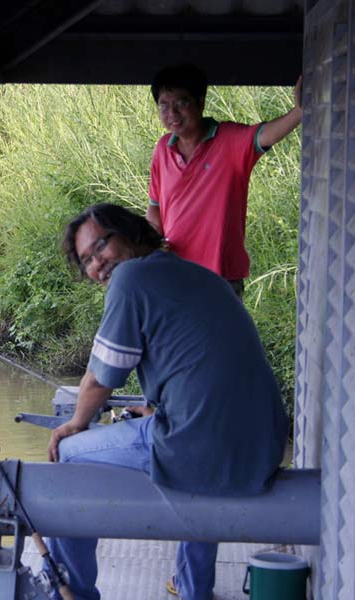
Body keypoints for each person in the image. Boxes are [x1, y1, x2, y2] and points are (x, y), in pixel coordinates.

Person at [44, 203, 288, 600]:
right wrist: (158, 409)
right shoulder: (196, 275)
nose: (97, 264)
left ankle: (74, 594)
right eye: (87, 260)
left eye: (100, 246)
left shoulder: (130, 278)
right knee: (201, 476)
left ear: (130, 233)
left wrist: (74, 424)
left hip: (200, 446)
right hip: (261, 448)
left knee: (69, 455)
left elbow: (101, 377)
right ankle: (194, 592)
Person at [146, 63, 302, 297]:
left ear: (201, 102)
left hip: (220, 276)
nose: (172, 114)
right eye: (164, 105)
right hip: (174, 272)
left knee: (220, 334)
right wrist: (153, 243)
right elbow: (154, 208)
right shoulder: (162, 149)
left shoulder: (228, 141)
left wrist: (300, 111)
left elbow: (267, 134)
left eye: (181, 103)